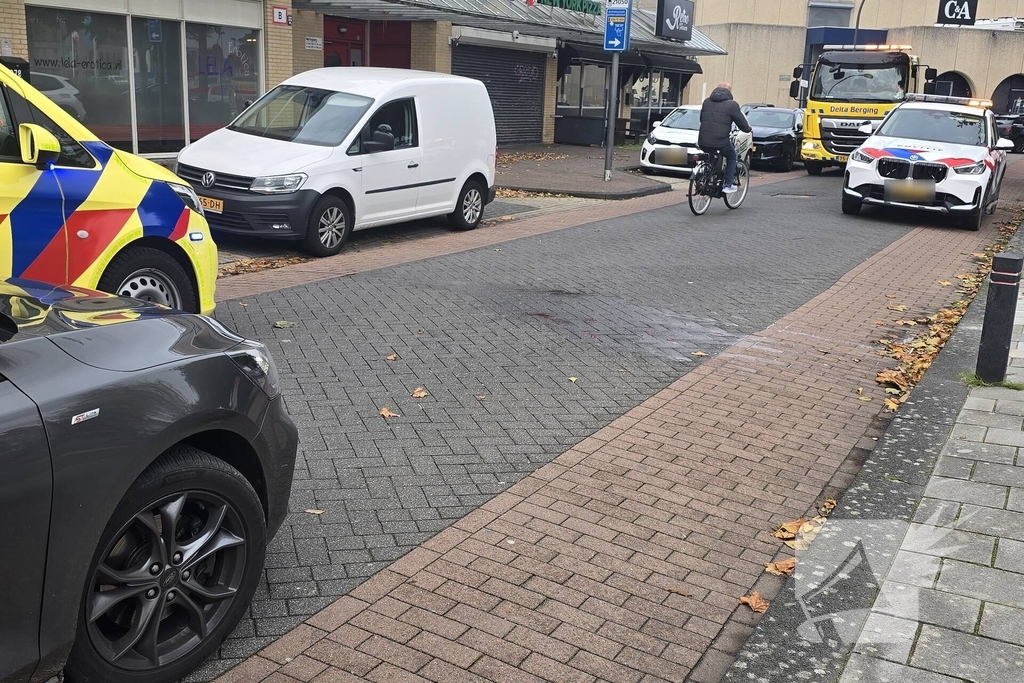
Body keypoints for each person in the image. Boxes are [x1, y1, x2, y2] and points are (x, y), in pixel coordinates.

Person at [698, 82, 751, 194]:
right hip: (720, 141)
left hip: (703, 140)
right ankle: (728, 185)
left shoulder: (706, 102)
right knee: (732, 156)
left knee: (710, 156)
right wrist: (748, 129)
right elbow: (741, 123)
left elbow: (701, 119)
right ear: (729, 91)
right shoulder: (732, 105)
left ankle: (706, 178)